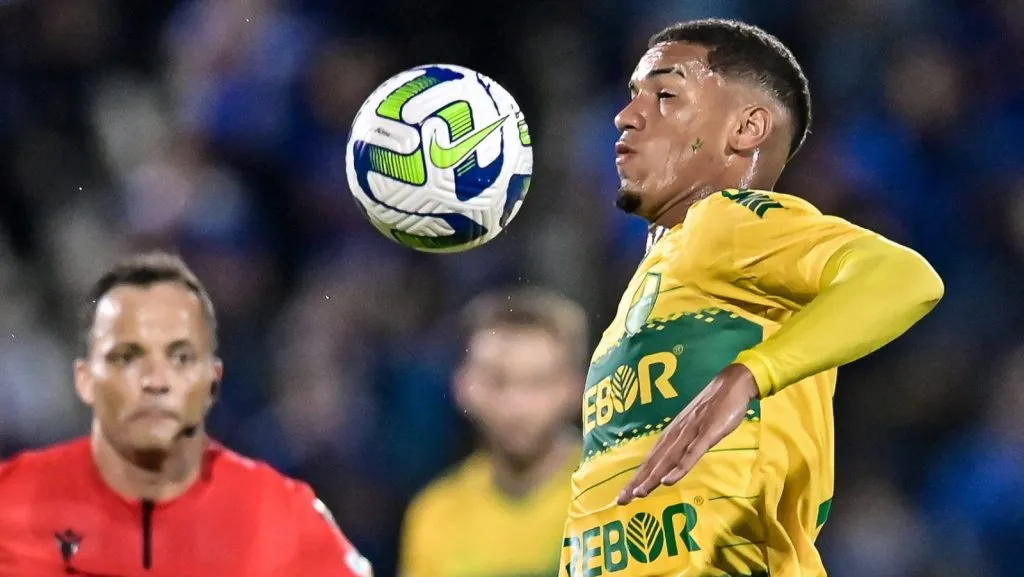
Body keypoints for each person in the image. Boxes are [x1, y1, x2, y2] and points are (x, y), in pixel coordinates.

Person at [559, 19, 944, 577]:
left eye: (666, 95)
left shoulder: (726, 223)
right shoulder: (656, 284)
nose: (627, 115)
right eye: (633, 96)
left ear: (747, 128)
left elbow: (906, 277)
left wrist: (751, 374)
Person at [0, 252, 373, 577]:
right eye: (127, 357)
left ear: (213, 379)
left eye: (181, 358)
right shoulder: (9, 504)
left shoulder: (284, 517)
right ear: (84, 380)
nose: (155, 381)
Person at [400, 288, 586, 577]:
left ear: (575, 388)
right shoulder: (434, 515)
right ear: (463, 385)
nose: (516, 406)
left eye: (537, 382)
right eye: (497, 381)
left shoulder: (615, 495)